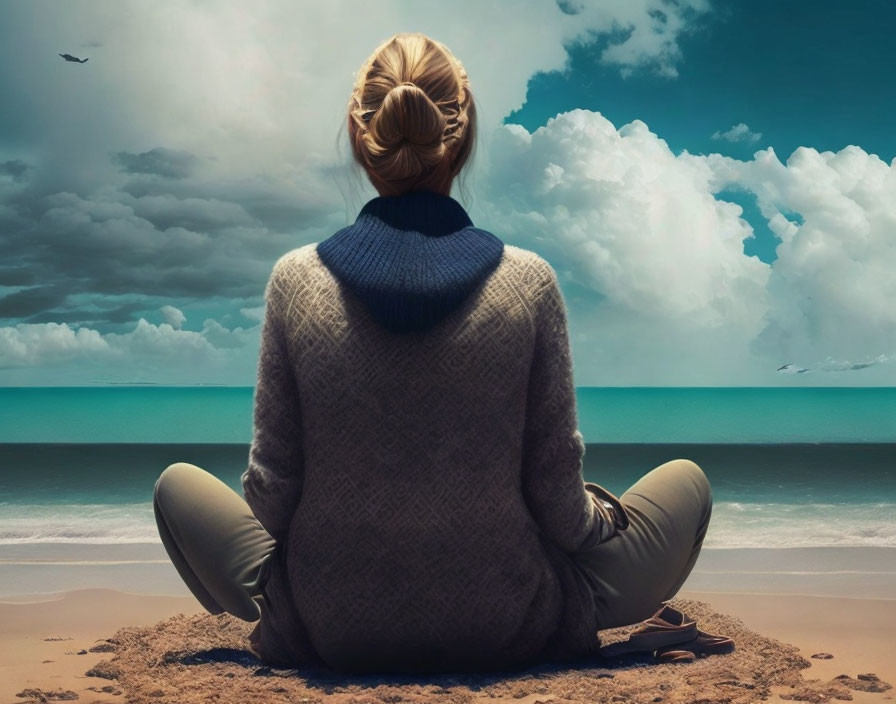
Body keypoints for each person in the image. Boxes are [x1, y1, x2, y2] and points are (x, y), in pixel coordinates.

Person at [153, 31, 713, 675]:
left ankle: (283, 615)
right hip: (507, 626)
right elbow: (557, 502)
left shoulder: (295, 282)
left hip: (329, 627)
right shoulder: (528, 283)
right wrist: (602, 523)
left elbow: (274, 500)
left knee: (177, 487)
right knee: (686, 483)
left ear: (364, 138)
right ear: (464, 136)